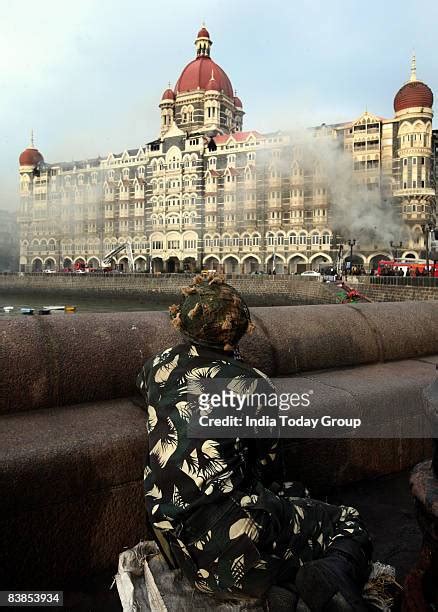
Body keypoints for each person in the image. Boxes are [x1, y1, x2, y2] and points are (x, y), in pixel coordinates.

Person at [137, 274, 373, 611]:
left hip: (176, 544)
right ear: (237, 330)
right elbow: (268, 467)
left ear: (184, 323)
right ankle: (326, 578)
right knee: (346, 521)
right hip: (232, 549)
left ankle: (281, 588)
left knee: (281, 503)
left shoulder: (157, 366)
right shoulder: (251, 383)